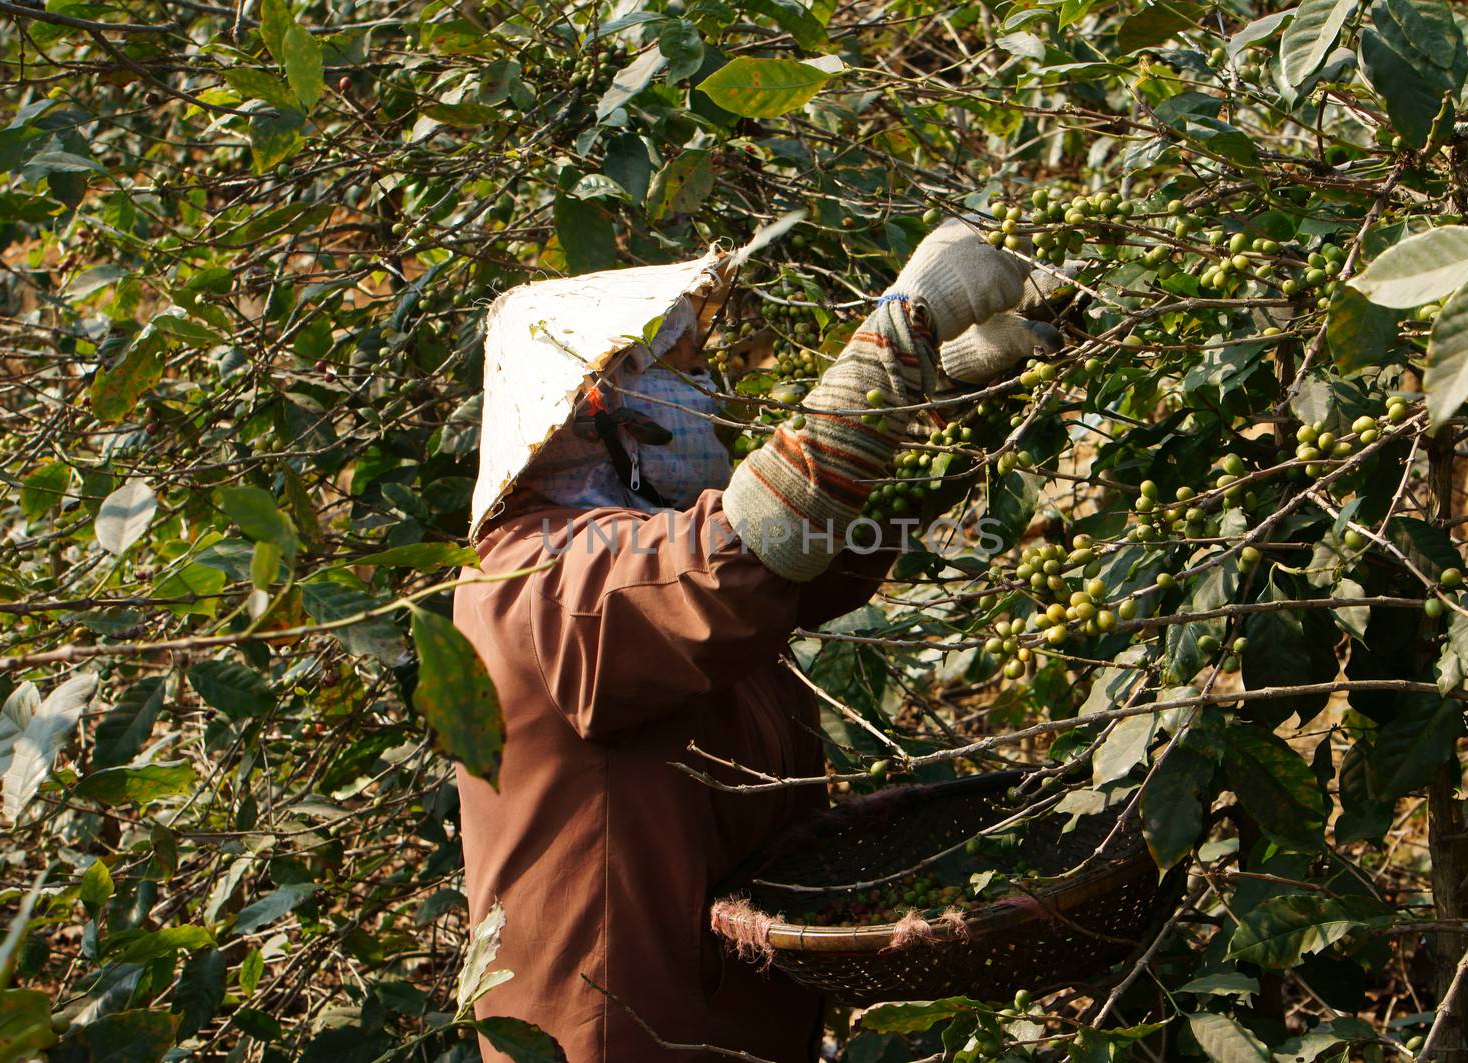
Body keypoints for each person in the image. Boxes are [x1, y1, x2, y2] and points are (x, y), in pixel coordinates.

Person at [453, 220, 1058, 1062]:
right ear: (611, 404)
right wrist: (904, 328)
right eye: (692, 371)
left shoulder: (634, 542)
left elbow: (816, 553)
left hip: (723, 1027)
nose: (718, 399)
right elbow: (750, 548)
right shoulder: (540, 578)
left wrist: (944, 387)